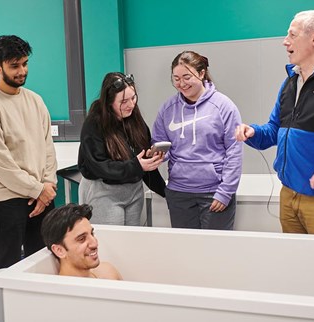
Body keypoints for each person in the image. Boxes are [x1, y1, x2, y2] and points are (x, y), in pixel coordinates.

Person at [235, 10, 314, 235]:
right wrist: (253, 132)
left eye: (292, 35)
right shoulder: (290, 82)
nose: (285, 41)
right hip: (288, 194)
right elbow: (274, 130)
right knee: (294, 263)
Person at [0, 35, 58, 270]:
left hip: (42, 194)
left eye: (25, 63)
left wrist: (47, 186)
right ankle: (1, 309)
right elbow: (0, 164)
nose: (22, 71)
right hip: (8, 199)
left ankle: (37, 307)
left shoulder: (36, 101)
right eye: (14, 66)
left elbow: (47, 148)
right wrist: (38, 189)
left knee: (44, 260)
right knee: (7, 264)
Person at [152, 51, 243, 230]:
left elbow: (234, 151)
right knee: (185, 253)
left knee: (214, 252)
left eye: (187, 77)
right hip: (179, 193)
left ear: (201, 74)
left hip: (214, 194)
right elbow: (160, 143)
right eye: (176, 78)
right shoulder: (168, 109)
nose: (181, 84)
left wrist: (225, 192)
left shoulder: (224, 106)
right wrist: (156, 155)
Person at [78, 72, 166, 226]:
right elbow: (99, 165)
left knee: (131, 242)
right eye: (124, 101)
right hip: (104, 192)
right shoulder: (94, 123)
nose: (131, 105)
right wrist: (136, 166)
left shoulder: (134, 119)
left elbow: (142, 160)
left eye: (133, 98)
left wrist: (166, 191)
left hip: (133, 191)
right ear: (109, 102)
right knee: (111, 242)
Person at [41, 203, 122, 280]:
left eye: (92, 233)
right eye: (82, 239)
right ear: (59, 250)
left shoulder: (108, 274)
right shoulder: (55, 292)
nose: (94, 243)